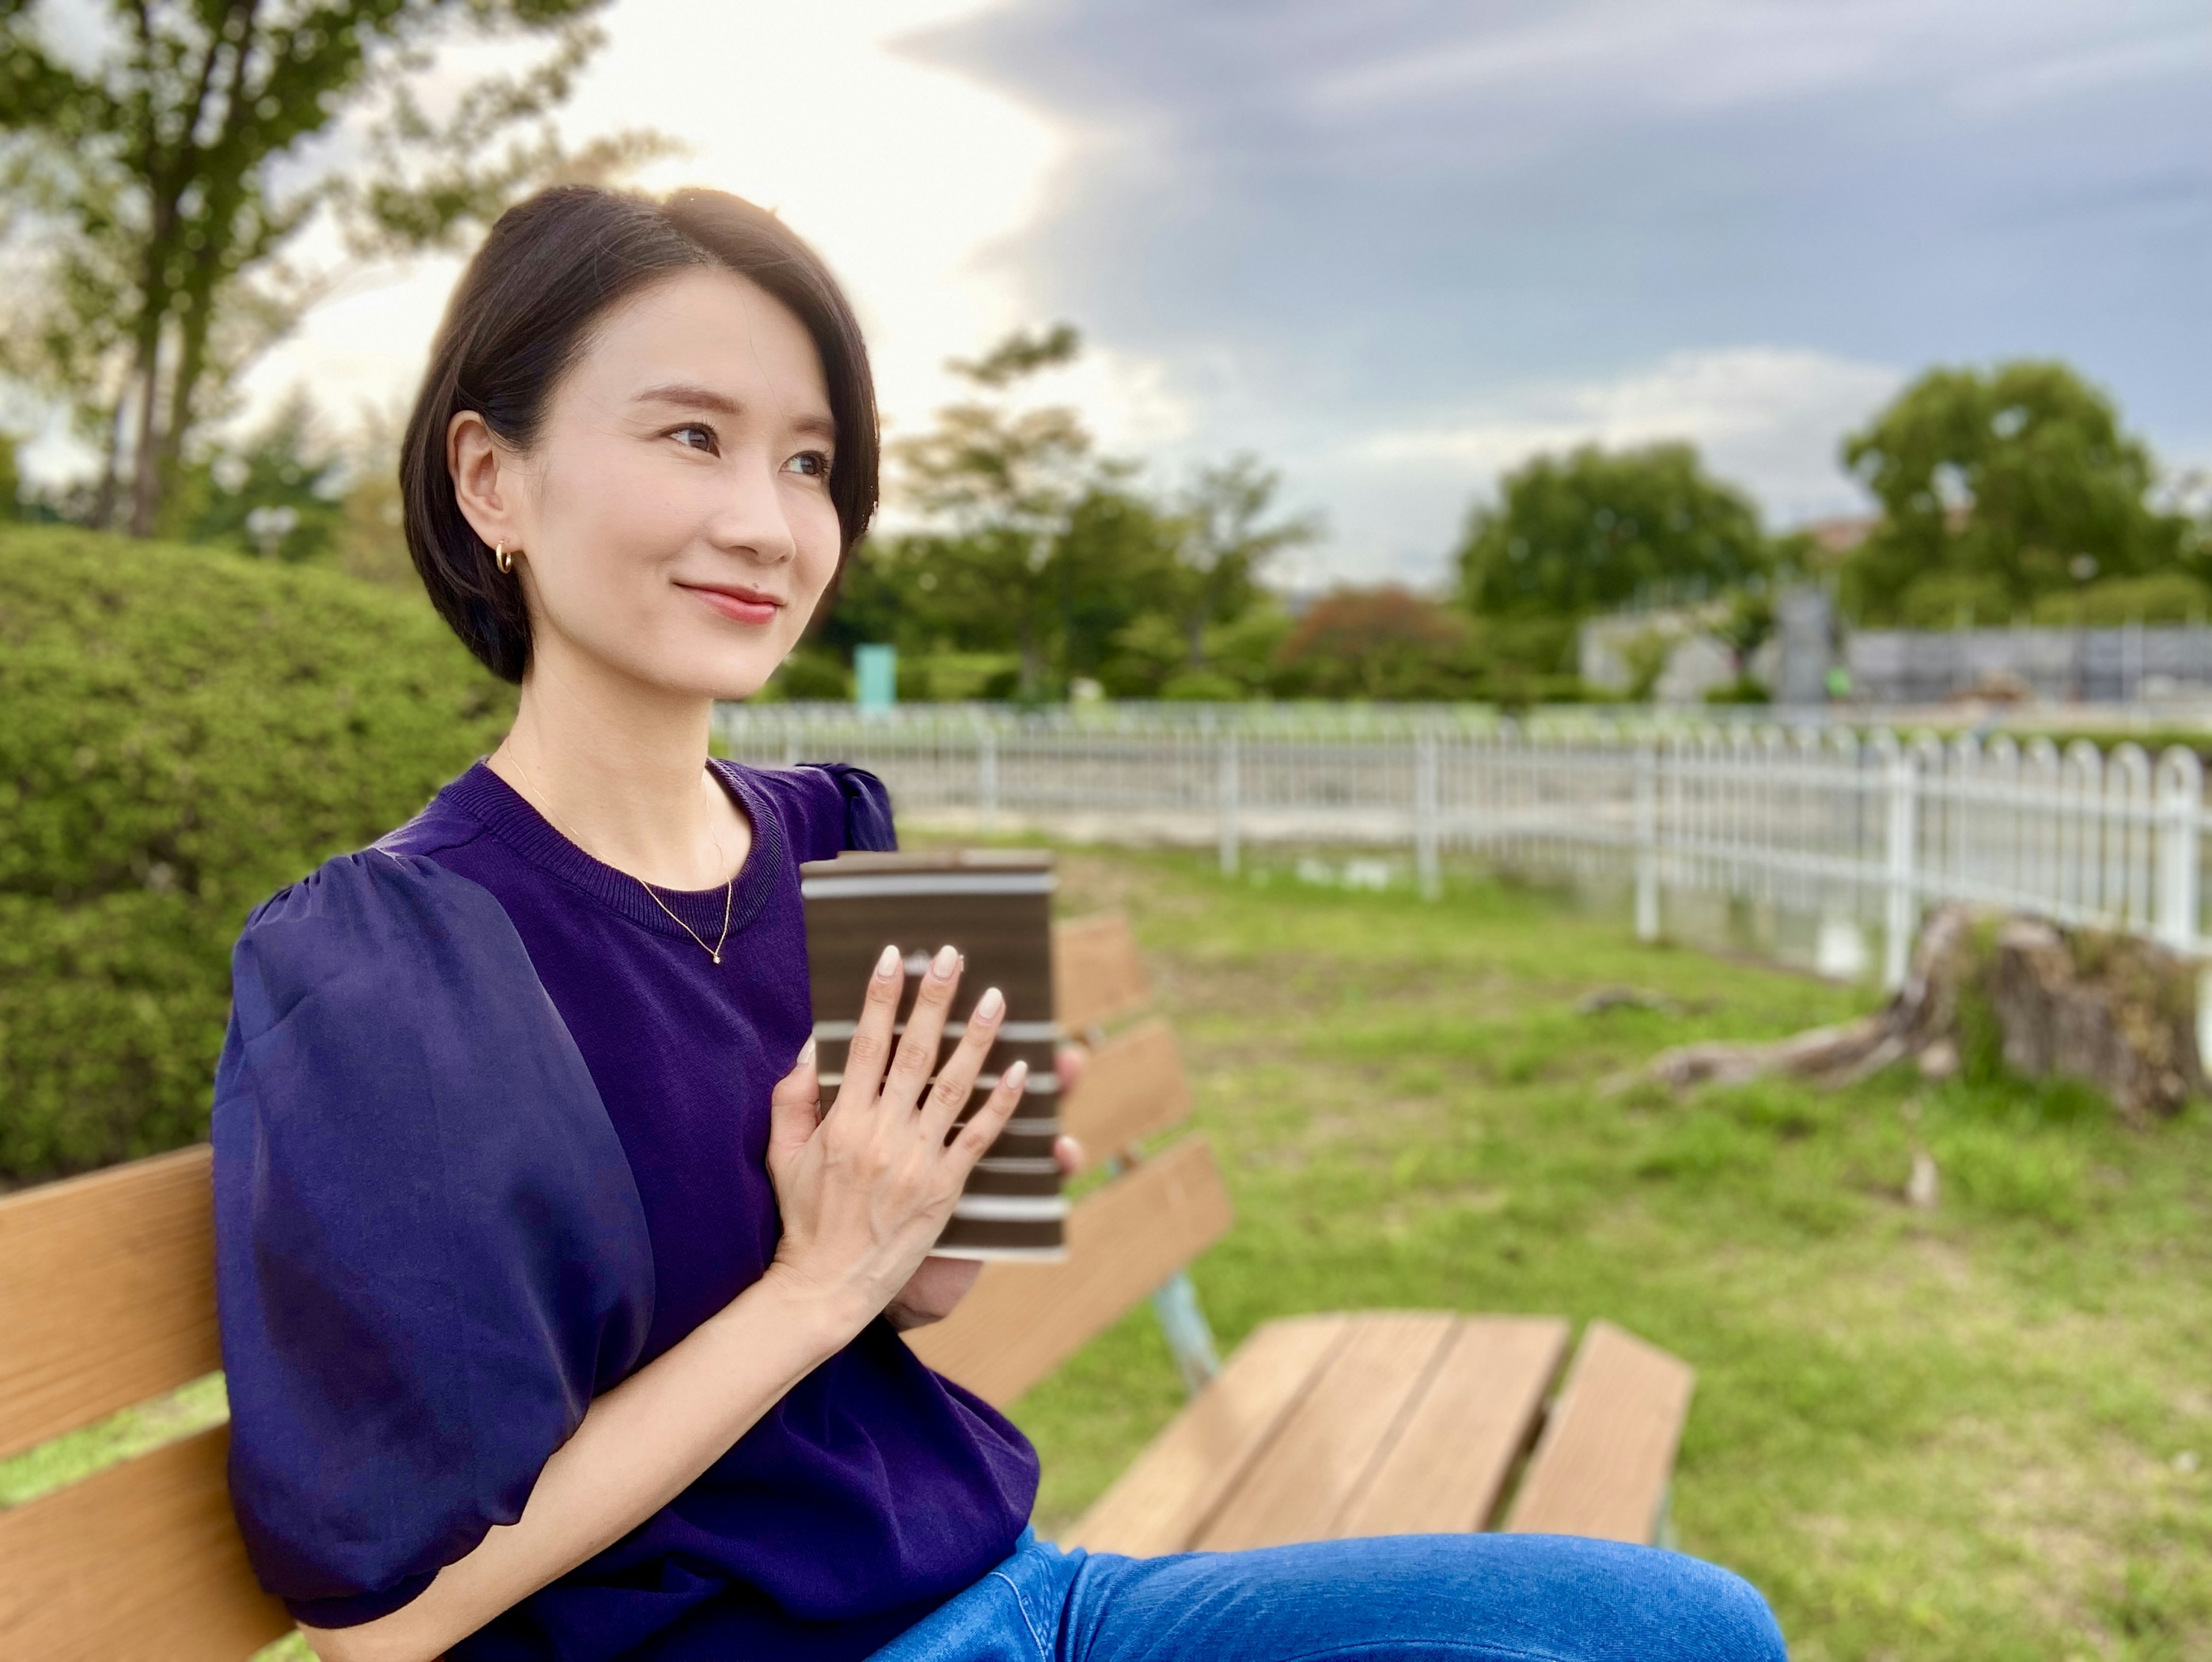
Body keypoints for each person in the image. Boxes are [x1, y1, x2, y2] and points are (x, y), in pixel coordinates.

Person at [212, 185, 1787, 1662]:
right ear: (492, 476)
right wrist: (820, 1282)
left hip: (1032, 1597)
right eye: (693, 435)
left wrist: (943, 1204)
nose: (769, 523)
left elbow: (920, 1294)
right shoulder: (390, 965)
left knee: (1683, 1631)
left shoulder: (836, 836)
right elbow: (391, 1620)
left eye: (811, 462)